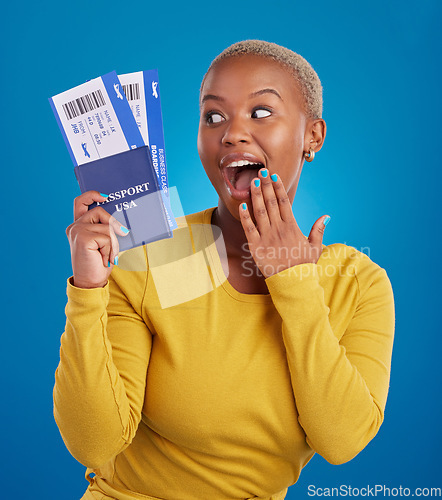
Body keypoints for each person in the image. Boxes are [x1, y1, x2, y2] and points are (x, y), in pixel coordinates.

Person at [55, 40, 395, 500]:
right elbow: (94, 443)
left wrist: (293, 283)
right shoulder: (156, 250)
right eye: (214, 117)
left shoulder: (357, 284)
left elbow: (342, 441)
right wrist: (89, 291)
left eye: (261, 113)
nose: (232, 133)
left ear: (312, 136)